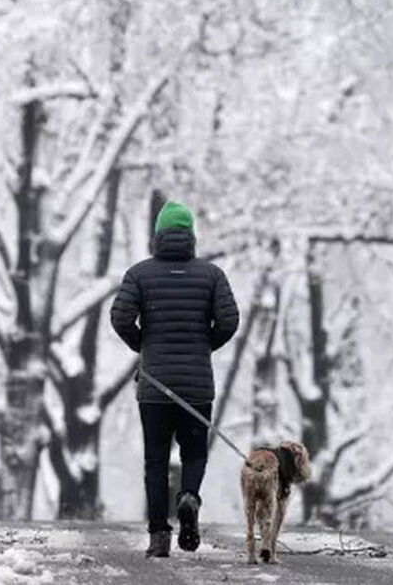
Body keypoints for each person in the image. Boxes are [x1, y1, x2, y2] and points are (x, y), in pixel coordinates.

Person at [110, 200, 240, 558]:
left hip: (155, 385)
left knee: (155, 460)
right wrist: (204, 346)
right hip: (196, 383)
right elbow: (229, 321)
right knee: (194, 451)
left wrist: (144, 346)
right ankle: (189, 496)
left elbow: (120, 318)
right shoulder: (212, 275)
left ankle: (158, 536)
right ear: (191, 237)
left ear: (158, 236)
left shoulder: (139, 274)